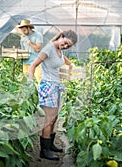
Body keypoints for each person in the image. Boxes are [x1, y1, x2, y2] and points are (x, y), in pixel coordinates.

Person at [29, 30, 78, 161]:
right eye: (66, 43)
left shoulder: (59, 50)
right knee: (49, 119)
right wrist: (30, 80)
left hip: (56, 86)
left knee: (55, 117)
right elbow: (33, 65)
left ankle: (50, 145)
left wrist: (73, 67)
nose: (66, 46)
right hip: (48, 87)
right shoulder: (49, 48)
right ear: (61, 36)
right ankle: (44, 151)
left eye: (69, 46)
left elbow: (65, 60)